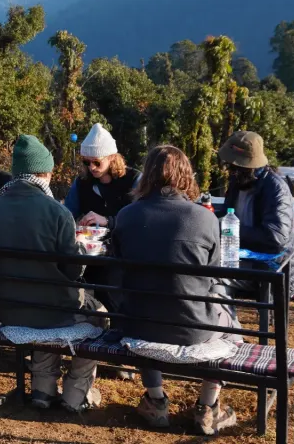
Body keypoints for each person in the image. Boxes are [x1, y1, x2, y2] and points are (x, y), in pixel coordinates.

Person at [111, 145, 242, 435]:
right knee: (229, 317)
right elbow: (213, 276)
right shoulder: (205, 218)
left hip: (138, 326)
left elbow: (119, 268)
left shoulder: (126, 215)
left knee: (146, 301)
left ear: (147, 175)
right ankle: (208, 407)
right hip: (193, 328)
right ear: (186, 176)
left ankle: (156, 400)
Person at [0, 135, 103, 413]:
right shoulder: (57, 212)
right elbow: (72, 270)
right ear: (44, 173)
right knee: (99, 313)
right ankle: (75, 393)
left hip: (10, 314)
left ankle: (43, 389)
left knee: (46, 306)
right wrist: (80, 250)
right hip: (53, 313)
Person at [218, 131, 294, 297]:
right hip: (242, 262)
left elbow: (275, 238)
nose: (229, 169)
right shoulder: (237, 182)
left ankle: (224, 322)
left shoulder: (275, 188)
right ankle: (226, 321)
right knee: (205, 276)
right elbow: (225, 215)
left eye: (233, 165)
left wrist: (229, 230)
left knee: (209, 279)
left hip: (275, 270)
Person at [64, 123, 141, 230]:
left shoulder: (134, 179)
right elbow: (66, 215)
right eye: (86, 162)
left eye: (97, 162)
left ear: (112, 157)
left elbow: (141, 218)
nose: (92, 167)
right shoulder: (81, 182)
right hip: (91, 243)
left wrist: (108, 221)